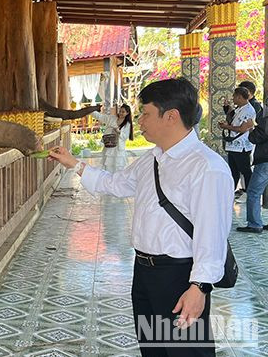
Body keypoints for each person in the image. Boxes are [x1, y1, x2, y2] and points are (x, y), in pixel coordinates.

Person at [50, 78, 232, 356]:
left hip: (180, 276)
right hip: (145, 271)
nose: (140, 121)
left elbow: (212, 234)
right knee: (153, 348)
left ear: (171, 116)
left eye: (146, 113)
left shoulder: (206, 167)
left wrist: (200, 287)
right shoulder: (153, 159)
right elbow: (115, 184)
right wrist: (73, 163)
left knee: (186, 351)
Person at [219, 87, 256, 192]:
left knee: (245, 171)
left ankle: (250, 193)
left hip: (241, 147)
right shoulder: (240, 108)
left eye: (234, 96)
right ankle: (230, 193)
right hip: (233, 146)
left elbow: (242, 129)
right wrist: (227, 108)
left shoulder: (249, 110)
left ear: (239, 97)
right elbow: (233, 118)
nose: (233, 98)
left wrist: (226, 127)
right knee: (233, 172)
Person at [238, 113, 268, 233]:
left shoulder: (266, 121)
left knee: (253, 192)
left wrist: (251, 127)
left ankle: (255, 224)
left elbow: (255, 138)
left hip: (265, 161)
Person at [91, 104, 134, 171]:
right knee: (108, 165)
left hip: (119, 148)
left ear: (127, 113)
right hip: (109, 145)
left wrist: (119, 131)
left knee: (118, 166)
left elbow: (125, 136)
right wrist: (90, 110)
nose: (120, 113)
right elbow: (101, 117)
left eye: (123, 112)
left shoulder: (127, 124)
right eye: (120, 111)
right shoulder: (112, 118)